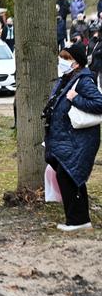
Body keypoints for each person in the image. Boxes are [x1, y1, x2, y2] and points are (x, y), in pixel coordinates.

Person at [43, 44, 102, 232]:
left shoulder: (83, 81)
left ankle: (77, 221)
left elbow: (99, 103)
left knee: (69, 175)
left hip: (79, 139)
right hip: (67, 138)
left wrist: (75, 98)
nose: (62, 61)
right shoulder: (66, 79)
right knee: (70, 175)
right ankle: (79, 219)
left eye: (66, 58)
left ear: (76, 63)